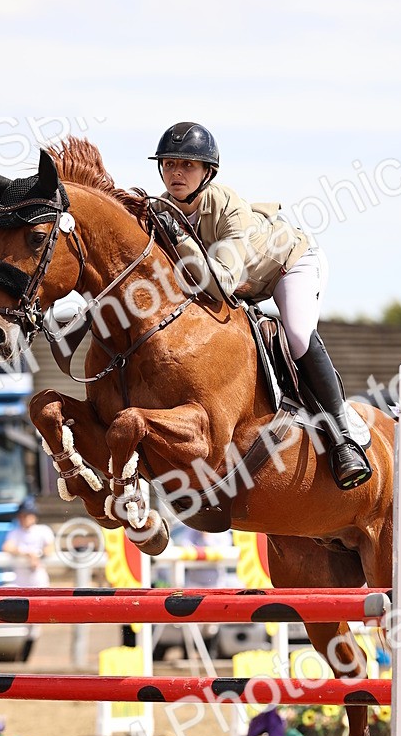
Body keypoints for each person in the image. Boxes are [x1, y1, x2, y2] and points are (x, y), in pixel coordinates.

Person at [150, 121, 372, 490]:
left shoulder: (229, 208)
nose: (176, 172)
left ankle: (342, 436)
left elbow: (220, 283)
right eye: (169, 163)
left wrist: (176, 236)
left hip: (289, 265)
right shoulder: (159, 209)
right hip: (243, 285)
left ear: (208, 172)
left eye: (188, 165)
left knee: (297, 334)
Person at [2, 499, 55, 589]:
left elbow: (50, 548)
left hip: (39, 581)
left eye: (28, 515)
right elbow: (7, 547)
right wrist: (27, 554)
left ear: (34, 516)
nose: (25, 518)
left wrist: (37, 555)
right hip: (20, 583)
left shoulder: (43, 530)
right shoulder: (15, 532)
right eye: (22, 515)